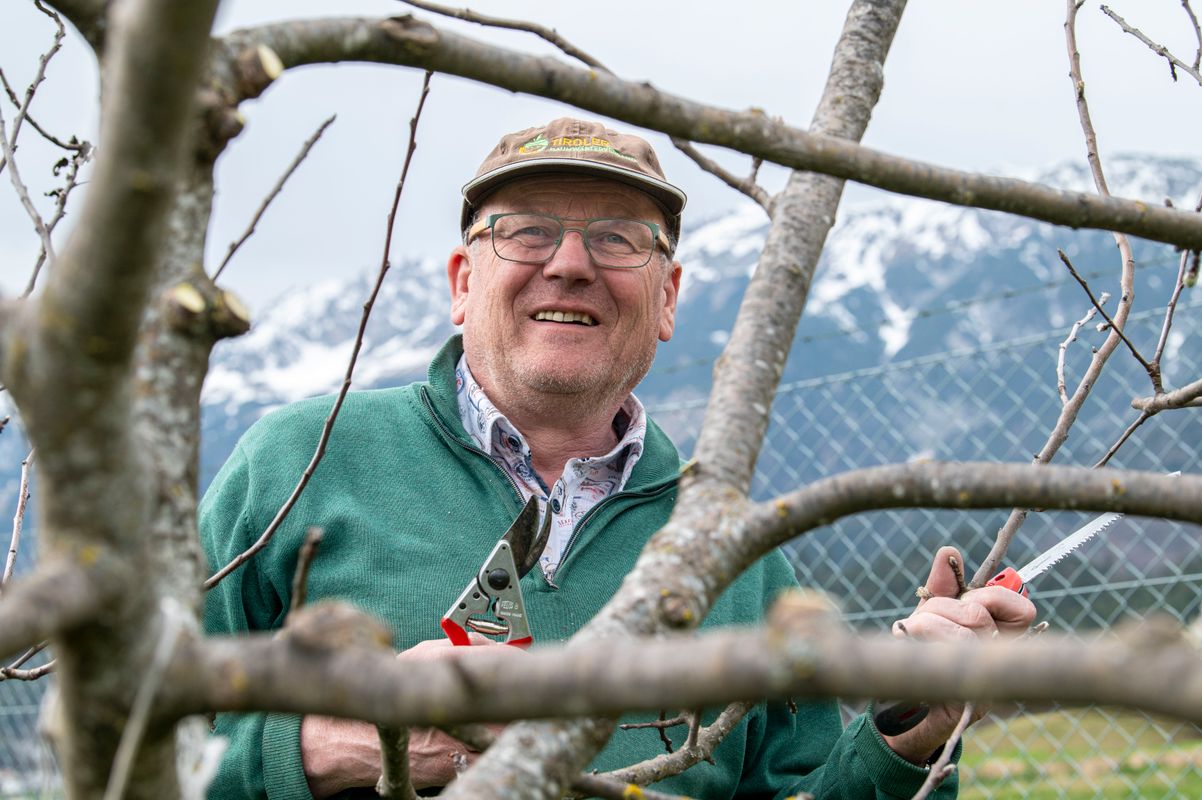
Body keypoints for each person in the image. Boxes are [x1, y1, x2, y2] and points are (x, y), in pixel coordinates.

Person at [200, 117, 1036, 799]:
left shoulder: (734, 553)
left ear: (667, 299)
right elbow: (129, 734)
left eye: (617, 239)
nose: (570, 265)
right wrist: (333, 745)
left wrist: (906, 738)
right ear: (462, 284)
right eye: (527, 232)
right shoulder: (298, 464)